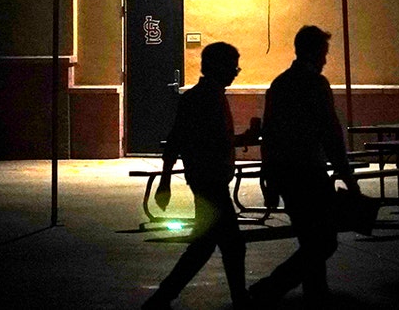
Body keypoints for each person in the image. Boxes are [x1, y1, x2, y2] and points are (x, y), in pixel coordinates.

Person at [248, 26, 360, 306]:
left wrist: (270, 179)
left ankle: (314, 292)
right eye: (324, 53)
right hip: (310, 171)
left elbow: (270, 135)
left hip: (285, 173)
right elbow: (330, 132)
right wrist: (346, 175)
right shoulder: (316, 84)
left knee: (310, 237)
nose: (325, 60)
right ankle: (271, 288)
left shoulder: (279, 84)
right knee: (324, 240)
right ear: (314, 52)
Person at [144, 42, 256, 310]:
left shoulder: (203, 96)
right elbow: (184, 140)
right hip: (210, 181)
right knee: (229, 245)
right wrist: (165, 181)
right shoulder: (206, 98)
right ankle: (239, 300)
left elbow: (184, 140)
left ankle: (162, 298)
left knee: (206, 246)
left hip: (206, 179)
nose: (236, 72)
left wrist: (166, 181)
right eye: (233, 67)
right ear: (219, 67)